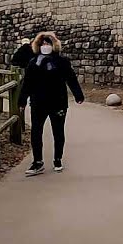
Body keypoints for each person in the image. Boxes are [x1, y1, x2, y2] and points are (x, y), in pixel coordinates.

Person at [17, 32, 84, 176]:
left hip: (58, 102)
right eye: (43, 44)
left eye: (48, 43)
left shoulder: (61, 62)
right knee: (36, 132)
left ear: (54, 45)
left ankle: (57, 159)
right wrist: (22, 100)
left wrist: (78, 95)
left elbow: (71, 78)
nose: (45, 46)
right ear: (38, 46)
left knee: (58, 131)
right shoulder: (33, 62)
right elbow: (27, 83)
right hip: (38, 102)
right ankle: (37, 161)